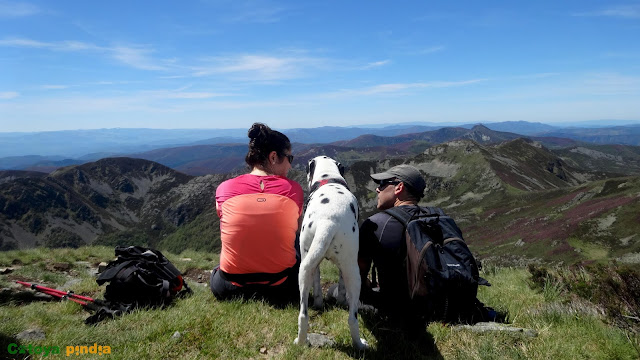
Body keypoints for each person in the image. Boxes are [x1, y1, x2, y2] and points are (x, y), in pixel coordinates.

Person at [210, 122, 304, 305]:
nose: (290, 167)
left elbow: (224, 219)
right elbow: (296, 227)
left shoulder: (224, 188)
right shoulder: (294, 190)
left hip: (229, 287)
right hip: (281, 286)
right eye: (289, 159)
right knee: (297, 240)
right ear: (274, 157)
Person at [357, 164, 428, 329]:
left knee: (337, 291)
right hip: (440, 302)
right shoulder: (438, 218)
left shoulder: (374, 224)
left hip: (401, 309)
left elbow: (357, 277)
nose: (377, 189)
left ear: (399, 188)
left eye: (383, 184)